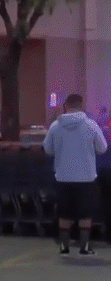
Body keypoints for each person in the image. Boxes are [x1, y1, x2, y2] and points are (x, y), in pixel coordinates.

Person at [43, 94, 108, 256]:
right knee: (85, 214)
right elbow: (102, 148)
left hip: (63, 176)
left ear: (66, 105)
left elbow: (48, 150)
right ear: (81, 105)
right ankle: (84, 247)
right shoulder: (91, 125)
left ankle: (64, 248)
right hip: (86, 177)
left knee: (64, 214)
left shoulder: (56, 126)